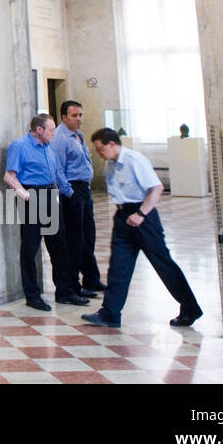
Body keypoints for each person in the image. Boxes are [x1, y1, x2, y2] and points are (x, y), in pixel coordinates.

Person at [81, 128, 203, 329]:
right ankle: (110, 313)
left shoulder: (134, 160)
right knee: (118, 267)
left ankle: (190, 308)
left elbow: (156, 189)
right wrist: (125, 215)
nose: (99, 153)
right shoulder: (110, 165)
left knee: (164, 265)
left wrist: (141, 214)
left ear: (112, 144)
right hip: (123, 218)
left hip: (143, 218)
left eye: (101, 149)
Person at [3, 114, 88, 311]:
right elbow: (9, 176)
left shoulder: (48, 147)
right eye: (51, 129)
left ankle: (65, 292)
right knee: (30, 249)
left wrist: (70, 193)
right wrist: (25, 195)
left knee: (59, 245)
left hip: (51, 195)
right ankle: (33, 295)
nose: (54, 133)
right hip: (32, 195)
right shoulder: (20, 146)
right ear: (39, 130)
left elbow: (57, 173)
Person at [50, 101, 106, 295]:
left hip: (84, 189)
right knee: (74, 239)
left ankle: (91, 278)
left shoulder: (78, 136)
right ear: (64, 117)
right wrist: (70, 192)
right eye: (74, 115)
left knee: (88, 236)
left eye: (80, 115)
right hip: (71, 191)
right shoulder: (60, 137)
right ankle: (74, 284)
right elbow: (57, 169)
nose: (79, 119)